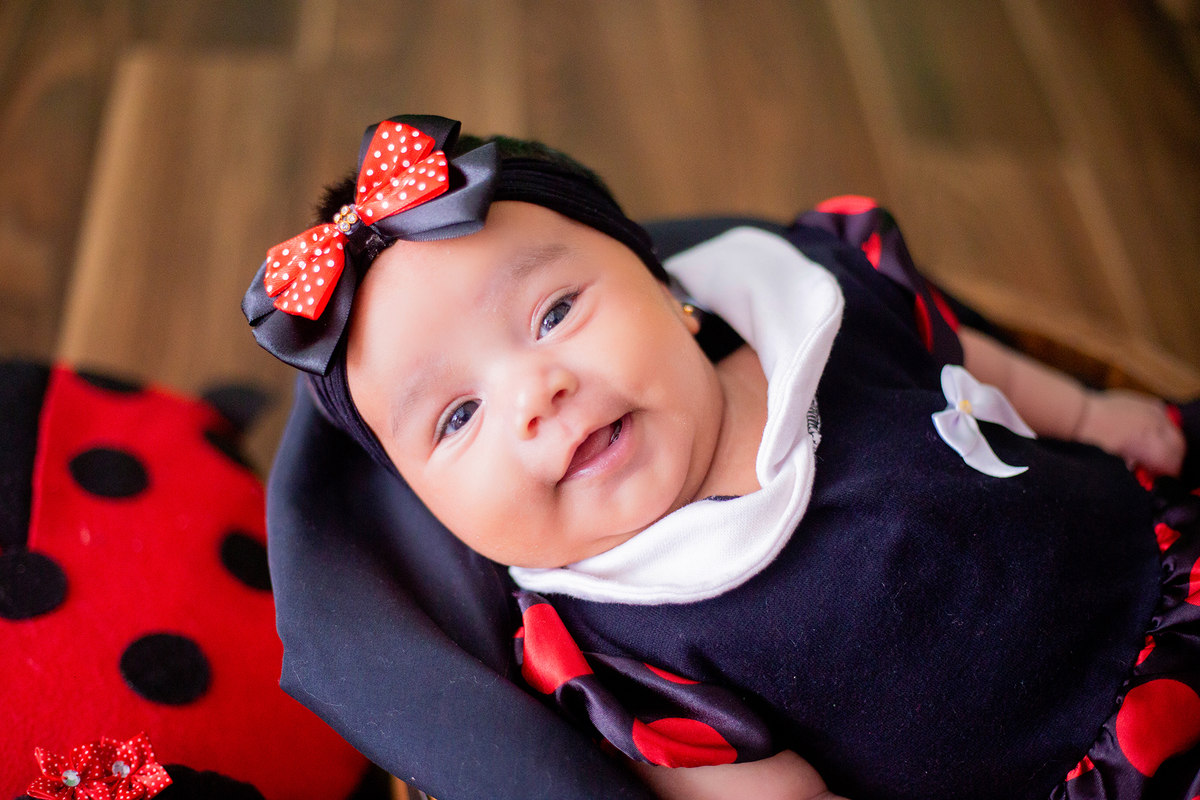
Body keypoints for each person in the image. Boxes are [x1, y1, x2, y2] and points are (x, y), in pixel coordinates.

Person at [244, 115, 1198, 800]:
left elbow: (951, 347)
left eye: (555, 313)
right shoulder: (617, 640)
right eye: (456, 418)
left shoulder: (809, 307)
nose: (537, 394)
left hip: (1158, 571)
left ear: (669, 290)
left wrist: (1090, 410)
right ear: (431, 508)